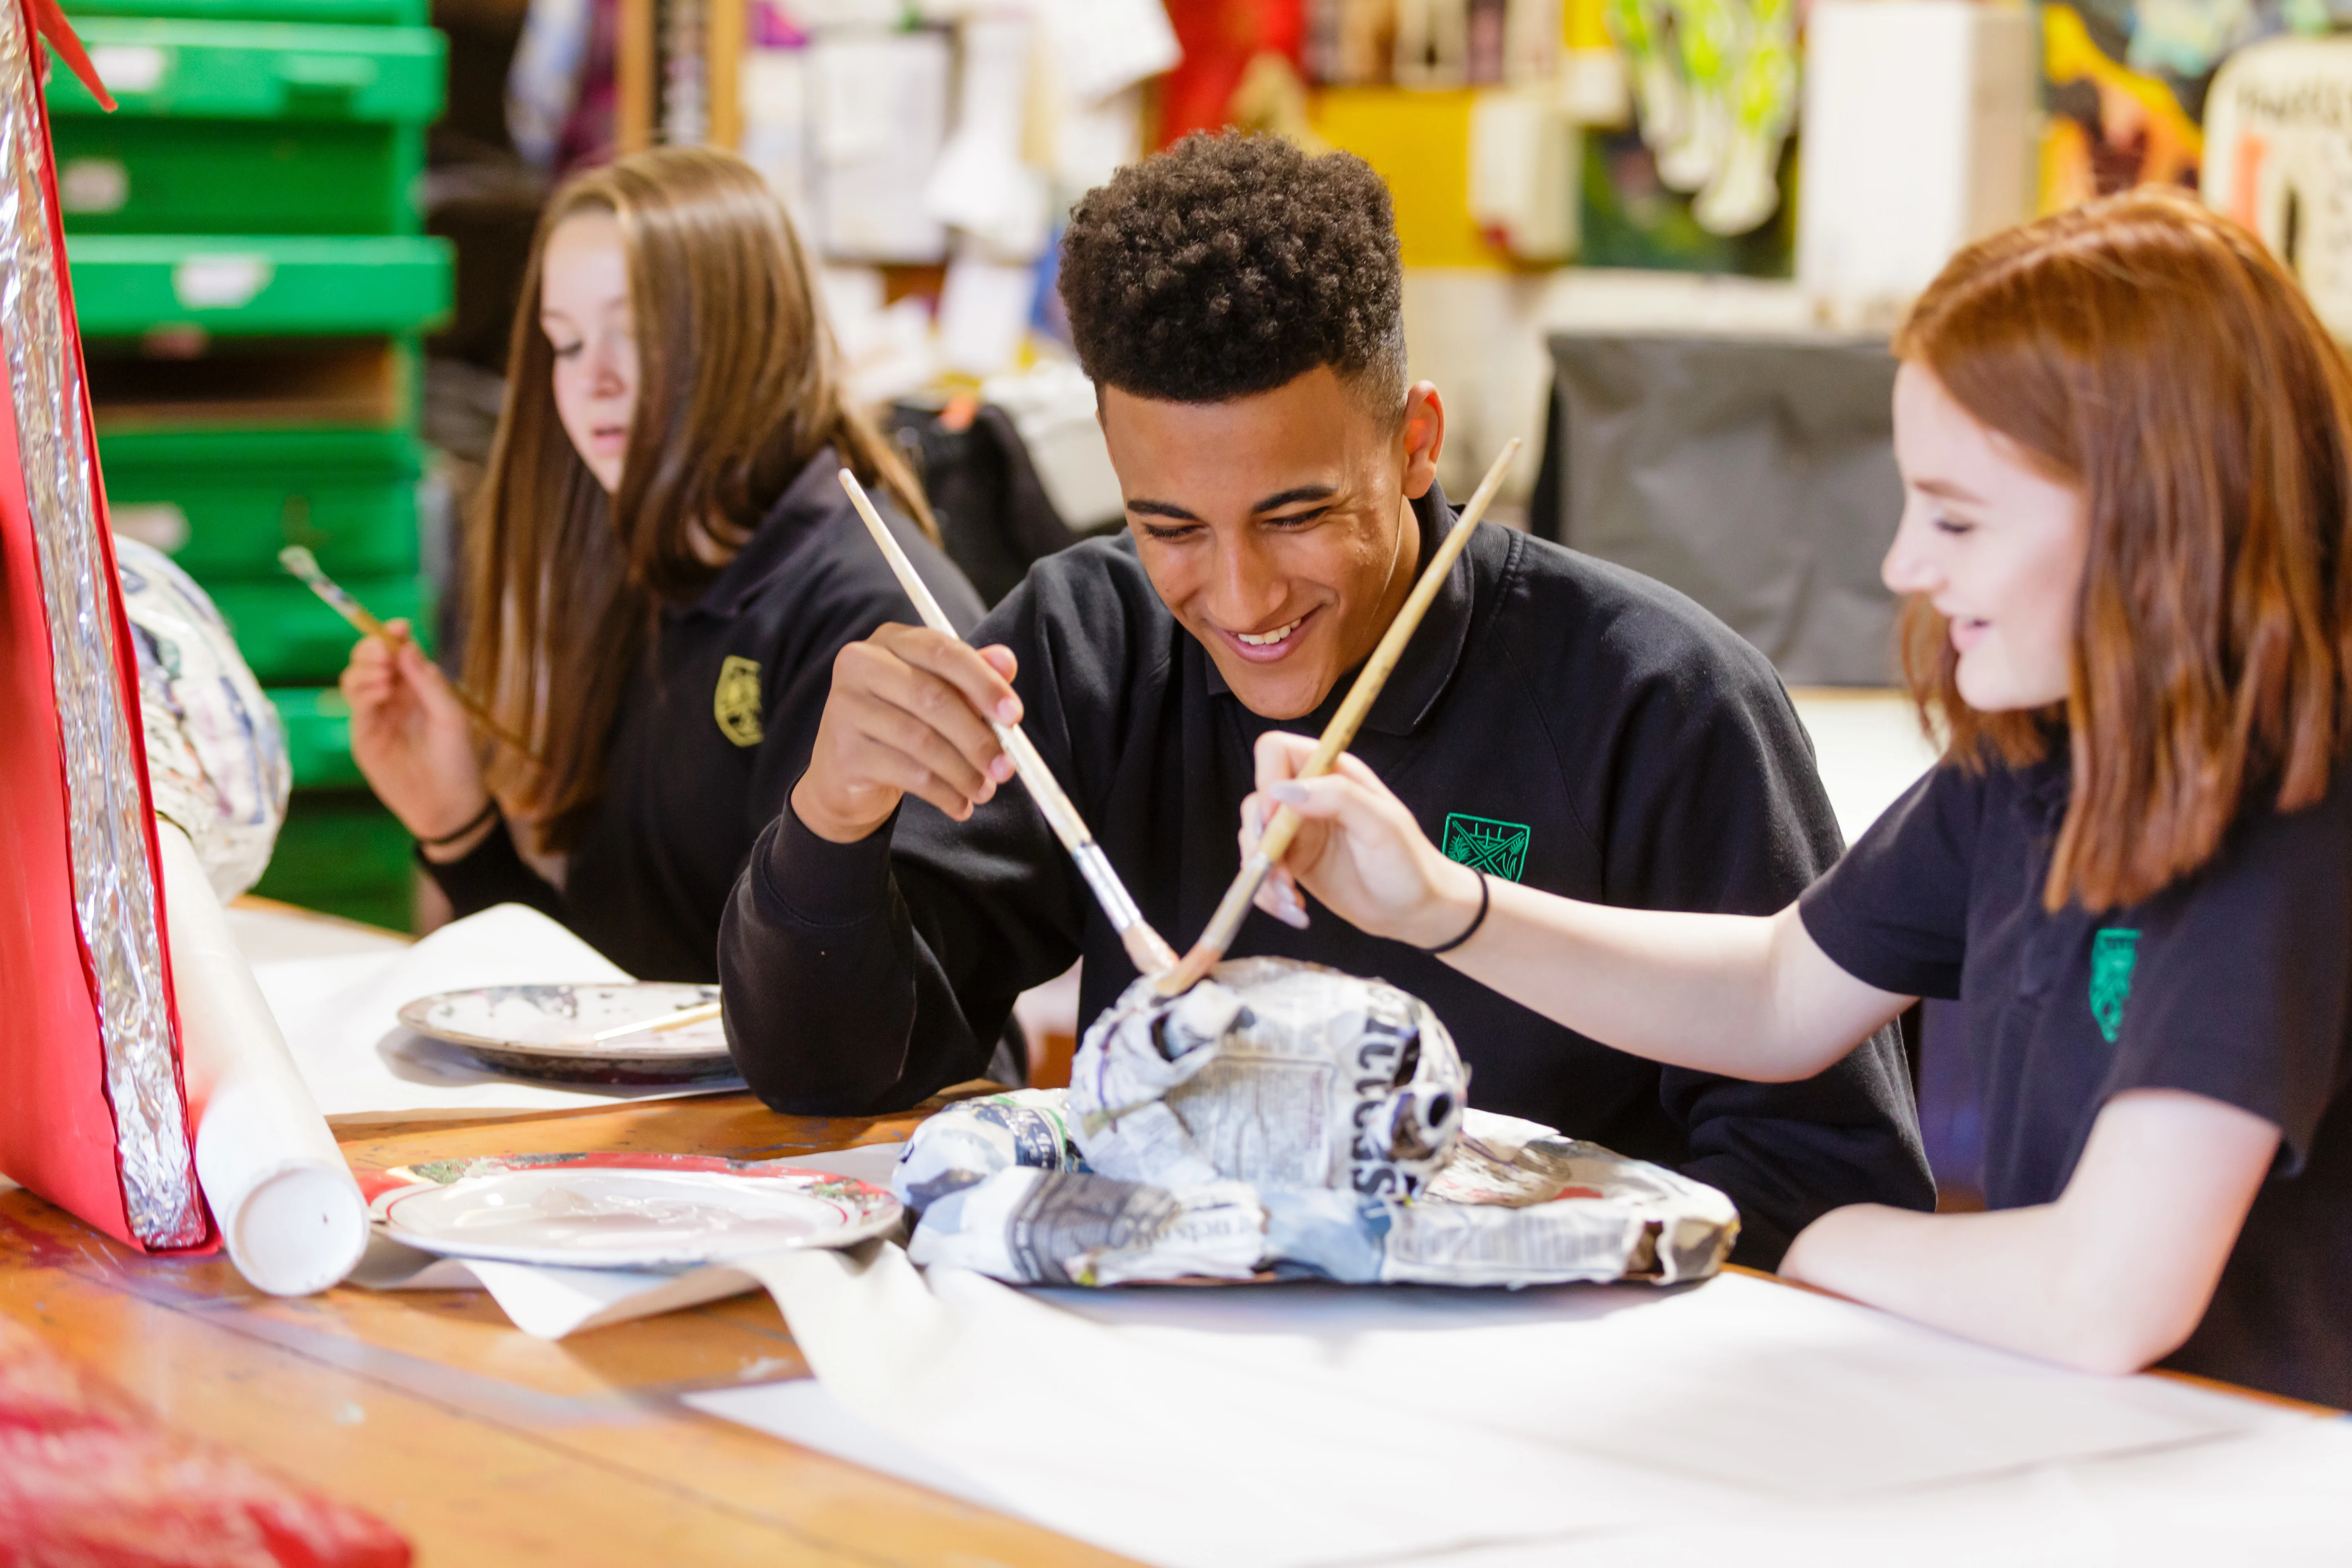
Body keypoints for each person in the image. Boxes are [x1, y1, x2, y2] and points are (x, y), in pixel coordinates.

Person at [719, 132, 1933, 1270]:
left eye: (1297, 516)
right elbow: (836, 1072)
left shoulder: (1658, 701)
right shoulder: (1088, 641)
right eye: (1170, 527)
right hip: (1157, 1369)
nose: (1240, 594)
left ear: (1417, 445)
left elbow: (1821, 1182)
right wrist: (832, 819)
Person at [1238, 188, 2352, 1407]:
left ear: (2158, 518)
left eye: (1959, 518)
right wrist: (1445, 906)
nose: (1905, 565)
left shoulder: (2293, 809)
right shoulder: (2043, 758)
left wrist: (1807, 1243)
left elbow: (2101, 1296)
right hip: (2112, 1448)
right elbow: (1781, 989)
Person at [340, 147, 980, 980]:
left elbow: (829, 1018)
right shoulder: (645, 571)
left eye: (634, 334)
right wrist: (459, 829)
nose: (593, 380)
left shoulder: (867, 610)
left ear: (749, 335)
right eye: (565, 345)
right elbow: (625, 995)